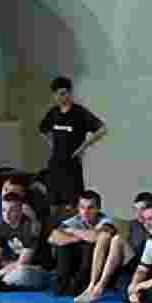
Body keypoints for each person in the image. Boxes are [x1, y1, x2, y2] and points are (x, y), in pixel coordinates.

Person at [38, 77, 106, 218]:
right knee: (53, 205)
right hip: (55, 165)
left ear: (69, 93)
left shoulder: (79, 113)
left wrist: (83, 147)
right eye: (57, 94)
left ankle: (74, 228)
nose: (60, 97)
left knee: (73, 205)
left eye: (63, 93)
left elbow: (101, 129)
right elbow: (42, 129)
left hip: (72, 166)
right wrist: (52, 143)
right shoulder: (53, 112)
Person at [48, 190, 130, 302]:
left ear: (98, 208)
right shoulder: (75, 220)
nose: (85, 212)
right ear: (78, 208)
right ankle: (63, 284)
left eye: (90, 208)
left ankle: (90, 286)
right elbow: (52, 237)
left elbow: (96, 237)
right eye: (82, 207)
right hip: (79, 264)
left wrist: (72, 231)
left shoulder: (106, 221)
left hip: (106, 267)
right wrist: (77, 238)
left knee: (92, 243)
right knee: (63, 246)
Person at [0, 192, 52, 292]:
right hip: (8, 267)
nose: (6, 215)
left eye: (12, 210)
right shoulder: (1, 227)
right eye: (4, 210)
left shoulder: (31, 228)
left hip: (34, 269)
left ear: (20, 211)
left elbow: (23, 262)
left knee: (22, 272)